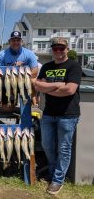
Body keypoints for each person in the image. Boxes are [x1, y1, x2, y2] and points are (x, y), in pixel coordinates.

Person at [33, 37, 82, 195]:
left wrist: (48, 88)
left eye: (62, 48)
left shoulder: (74, 66)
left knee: (64, 148)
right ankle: (53, 172)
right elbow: (37, 85)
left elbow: (70, 90)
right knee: (47, 145)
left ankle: (58, 179)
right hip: (48, 113)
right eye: (55, 49)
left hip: (68, 115)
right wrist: (57, 85)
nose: (59, 51)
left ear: (67, 49)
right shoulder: (46, 66)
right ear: (52, 50)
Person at [0, 31, 38, 107]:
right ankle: (9, 101)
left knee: (34, 81)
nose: (16, 42)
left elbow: (34, 72)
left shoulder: (29, 53)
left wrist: (23, 75)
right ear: (9, 42)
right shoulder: (1, 55)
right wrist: (13, 67)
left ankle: (34, 103)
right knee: (6, 110)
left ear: (22, 41)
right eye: (13, 40)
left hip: (25, 82)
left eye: (18, 40)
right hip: (9, 83)